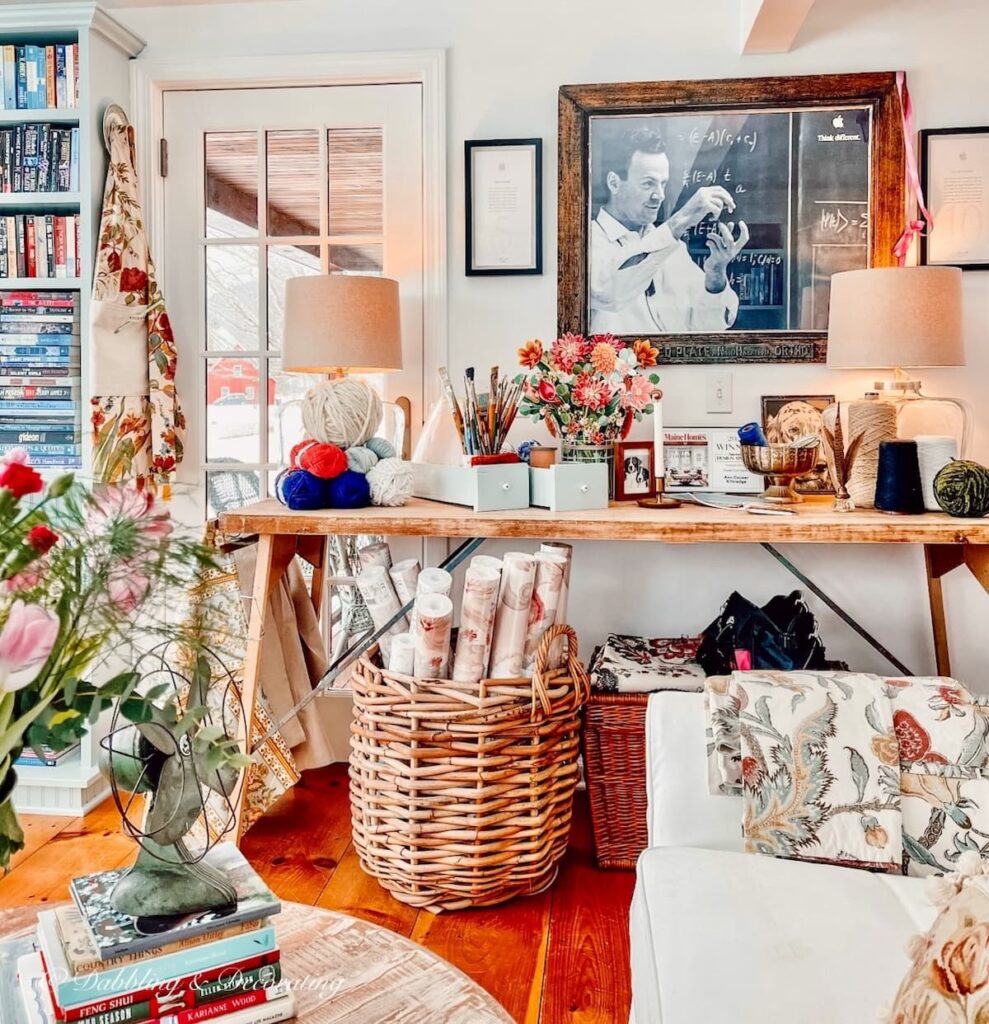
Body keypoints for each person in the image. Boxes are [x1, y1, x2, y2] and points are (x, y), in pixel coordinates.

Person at [590, 127, 749, 335]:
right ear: (614, 183)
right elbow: (609, 293)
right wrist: (679, 221)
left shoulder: (675, 250)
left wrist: (715, 277)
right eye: (648, 184)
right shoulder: (587, 241)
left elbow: (707, 327)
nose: (660, 195)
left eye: (663, 184)